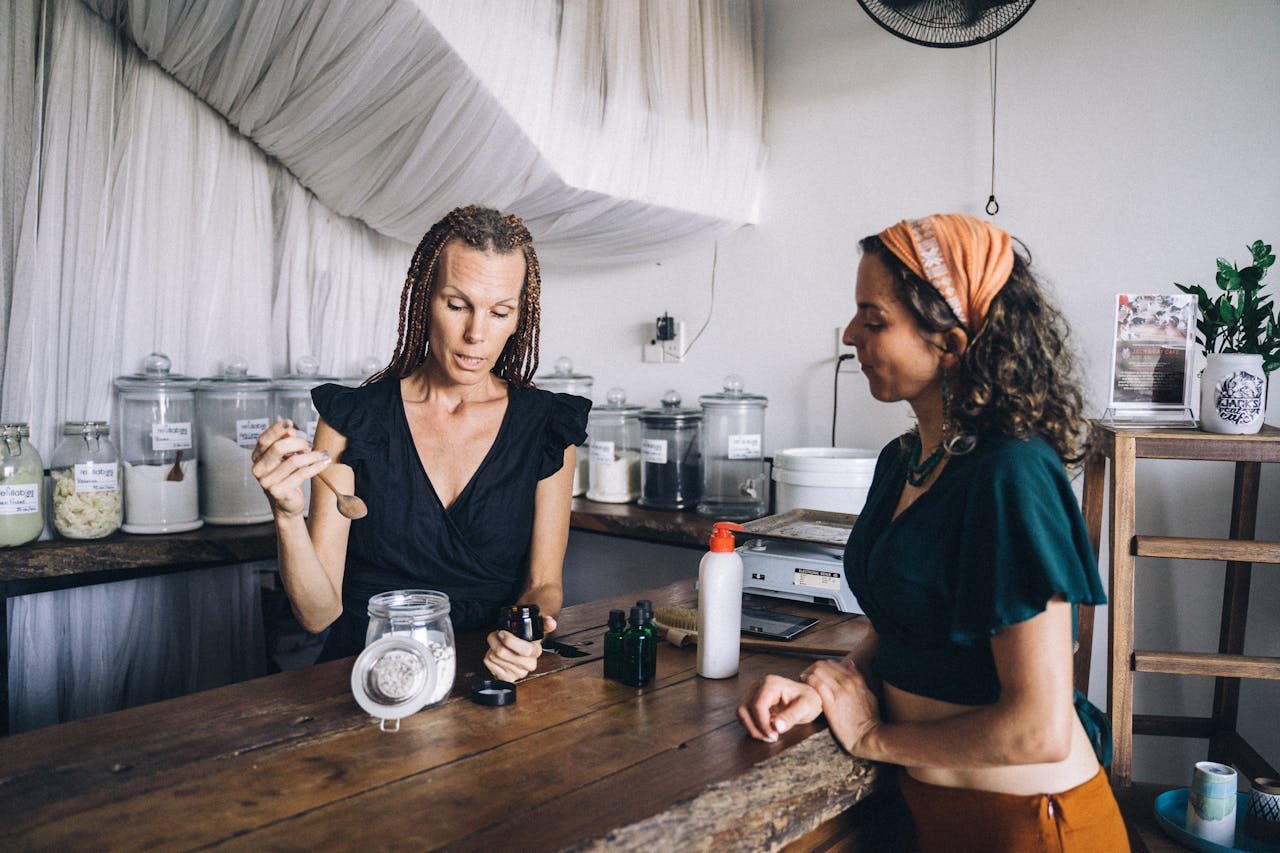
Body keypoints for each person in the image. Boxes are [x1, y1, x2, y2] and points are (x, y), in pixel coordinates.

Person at [738, 213, 1128, 851]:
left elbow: (1039, 731)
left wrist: (871, 736)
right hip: (939, 815)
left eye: (873, 320)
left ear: (949, 342)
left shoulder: (1011, 474)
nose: (850, 334)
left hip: (1033, 827)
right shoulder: (903, 462)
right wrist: (829, 689)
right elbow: (906, 625)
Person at [252, 205, 590, 682]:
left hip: (488, 674)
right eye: (457, 305)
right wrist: (287, 516)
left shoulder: (547, 427)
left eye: (499, 312)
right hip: (368, 672)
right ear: (425, 300)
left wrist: (526, 633)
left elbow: (544, 584)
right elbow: (318, 614)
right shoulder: (353, 419)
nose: (476, 334)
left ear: (519, 318)